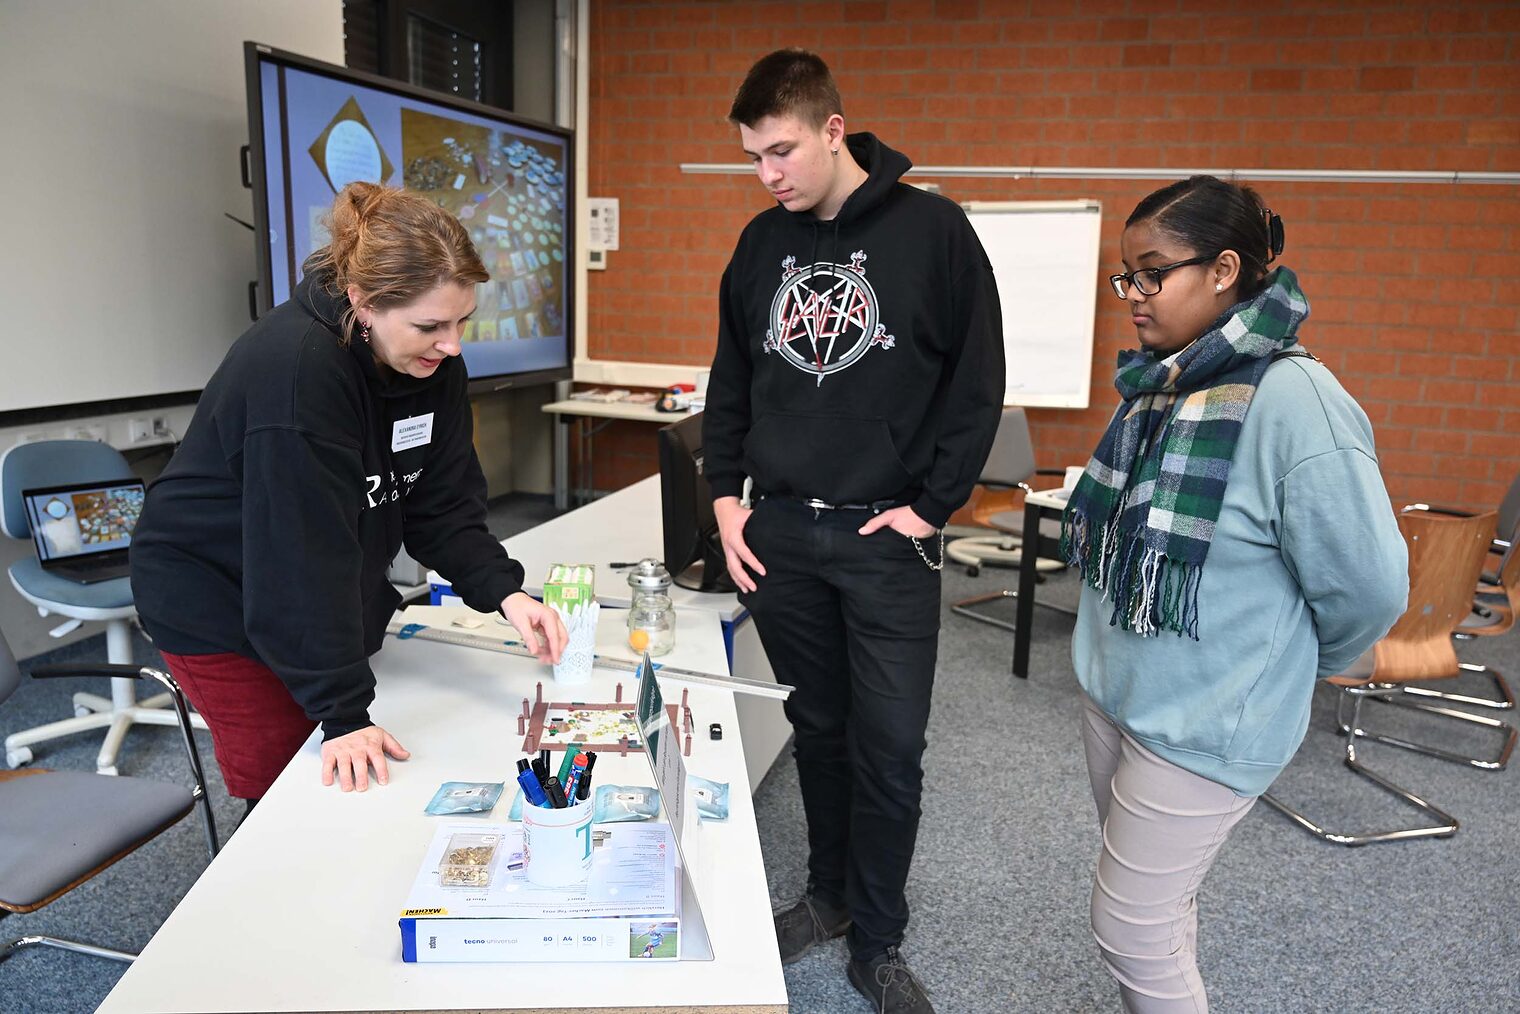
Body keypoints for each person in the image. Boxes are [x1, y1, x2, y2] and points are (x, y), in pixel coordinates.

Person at [702, 49, 1004, 1014]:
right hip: (782, 535)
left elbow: (976, 383)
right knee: (818, 730)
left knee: (890, 748)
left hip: (887, 541)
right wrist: (723, 499)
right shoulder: (760, 245)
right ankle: (828, 899)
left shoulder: (936, 232)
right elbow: (731, 382)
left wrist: (934, 504)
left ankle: (879, 940)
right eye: (754, 157)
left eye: (782, 150)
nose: (769, 174)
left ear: (835, 131)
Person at [1062, 175, 1408, 1012]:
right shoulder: (1160, 384)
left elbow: (1370, 587)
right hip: (1122, 695)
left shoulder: (1298, 402)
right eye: (1126, 275)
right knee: (1155, 906)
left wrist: (1280, 669)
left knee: (1128, 927)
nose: (1133, 296)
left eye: (1152, 273)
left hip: (1210, 720)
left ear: (1224, 269)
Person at [130, 183, 566, 809]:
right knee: (296, 786)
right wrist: (341, 711)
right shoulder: (297, 372)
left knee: (360, 759)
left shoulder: (431, 362)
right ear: (362, 301)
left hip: (313, 579)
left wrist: (506, 591)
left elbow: (439, 503)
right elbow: (301, 557)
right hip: (215, 593)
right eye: (431, 325)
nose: (453, 344)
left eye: (462, 320)